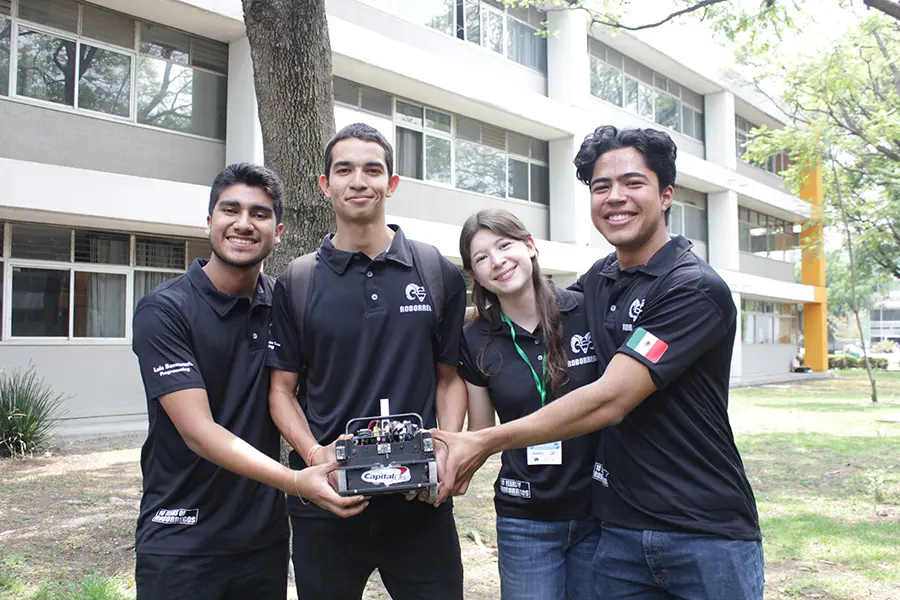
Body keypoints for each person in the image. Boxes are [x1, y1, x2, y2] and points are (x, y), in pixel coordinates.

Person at [434, 126, 764, 600]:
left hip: (704, 532)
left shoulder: (691, 286)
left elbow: (609, 400)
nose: (615, 197)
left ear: (666, 194)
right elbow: (529, 304)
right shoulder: (603, 279)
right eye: (601, 187)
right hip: (618, 533)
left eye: (633, 183)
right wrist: (451, 322)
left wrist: (481, 440)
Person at [131, 163, 366, 600]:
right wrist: (297, 481)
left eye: (259, 214)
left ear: (277, 232)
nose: (243, 223)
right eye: (230, 210)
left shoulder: (286, 302)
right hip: (181, 543)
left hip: (264, 542)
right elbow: (199, 432)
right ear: (209, 223)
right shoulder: (164, 311)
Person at [267, 123, 468, 600]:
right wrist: (316, 457)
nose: (358, 180)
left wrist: (446, 447)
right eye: (344, 170)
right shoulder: (298, 280)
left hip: (419, 499)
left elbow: (450, 379)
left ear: (391, 183)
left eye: (372, 169)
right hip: (328, 502)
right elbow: (281, 392)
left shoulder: (435, 271)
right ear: (325, 184)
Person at [458, 209, 601, 600]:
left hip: (600, 512)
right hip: (526, 518)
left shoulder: (588, 312)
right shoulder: (474, 339)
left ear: (530, 246)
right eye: (482, 258)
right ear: (474, 274)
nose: (498, 261)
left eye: (504, 245)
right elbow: (483, 434)